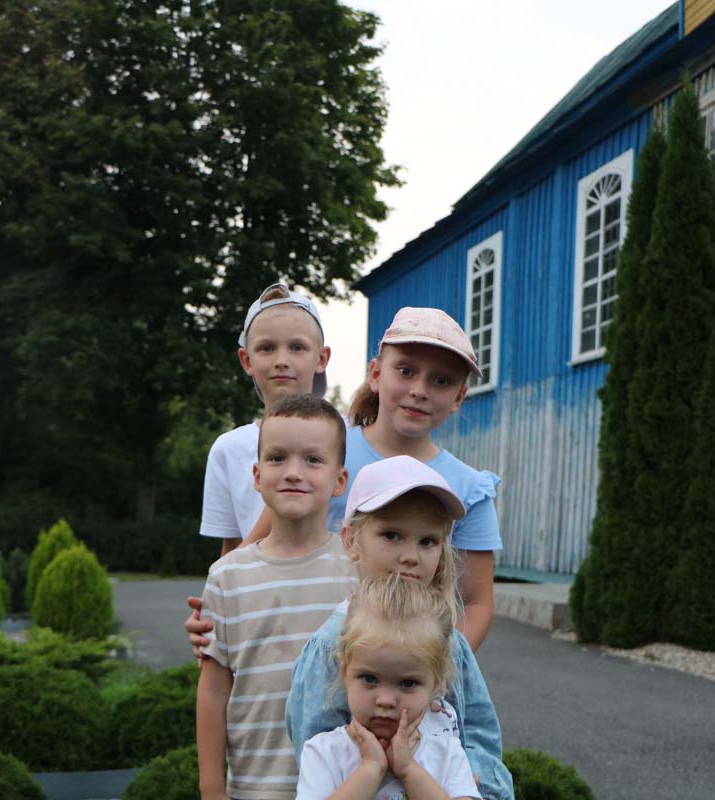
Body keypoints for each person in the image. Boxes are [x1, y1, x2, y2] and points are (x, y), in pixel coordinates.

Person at [189, 307, 502, 650]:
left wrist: (440, 666)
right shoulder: (322, 454)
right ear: (375, 374)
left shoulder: (469, 489)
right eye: (405, 371)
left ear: (459, 397)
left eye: (441, 381)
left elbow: (475, 602)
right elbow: (257, 546)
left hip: (403, 667)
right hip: (299, 648)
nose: (419, 390)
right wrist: (213, 612)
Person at [287, 455, 513, 800]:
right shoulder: (333, 642)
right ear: (351, 540)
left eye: (428, 541)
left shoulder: (449, 640)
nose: (411, 556)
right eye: (392, 535)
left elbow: (479, 732)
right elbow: (313, 744)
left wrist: (475, 782)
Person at [196, 394, 354, 800]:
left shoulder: (360, 572)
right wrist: (211, 787)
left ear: (340, 480)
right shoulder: (226, 577)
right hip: (254, 785)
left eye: (313, 460)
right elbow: (213, 690)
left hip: (346, 786)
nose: (293, 473)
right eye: (277, 458)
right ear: (257, 474)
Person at [295, 575, 480, 800]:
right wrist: (371, 768)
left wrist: (409, 771)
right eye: (369, 678)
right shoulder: (324, 753)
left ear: (437, 683)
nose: (385, 700)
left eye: (408, 683)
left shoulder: (446, 754)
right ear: (344, 673)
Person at [199, 282, 330, 557]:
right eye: (267, 348)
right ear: (246, 360)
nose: (281, 360)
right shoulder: (227, 449)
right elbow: (231, 547)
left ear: (321, 358)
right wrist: (223, 582)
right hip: (256, 584)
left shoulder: (346, 436)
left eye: (297, 347)